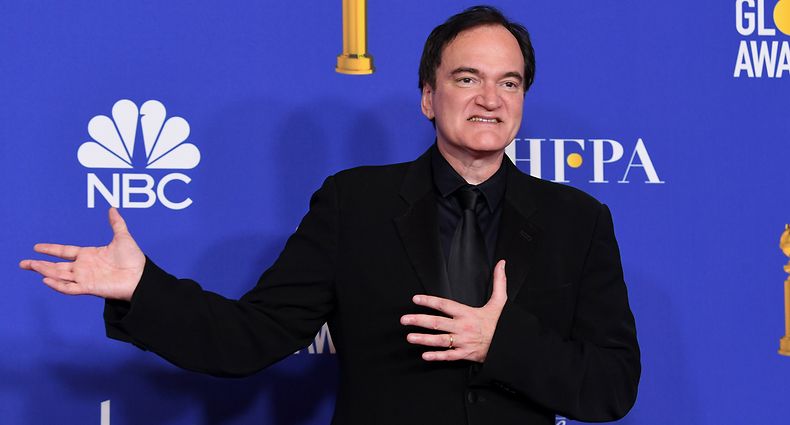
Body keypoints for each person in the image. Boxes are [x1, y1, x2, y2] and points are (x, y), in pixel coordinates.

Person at [20, 5, 640, 425]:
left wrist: (498, 343)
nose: (489, 99)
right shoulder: (355, 205)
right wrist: (142, 287)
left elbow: (612, 386)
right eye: (467, 78)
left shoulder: (577, 220)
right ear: (428, 96)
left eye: (510, 83)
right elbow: (251, 338)